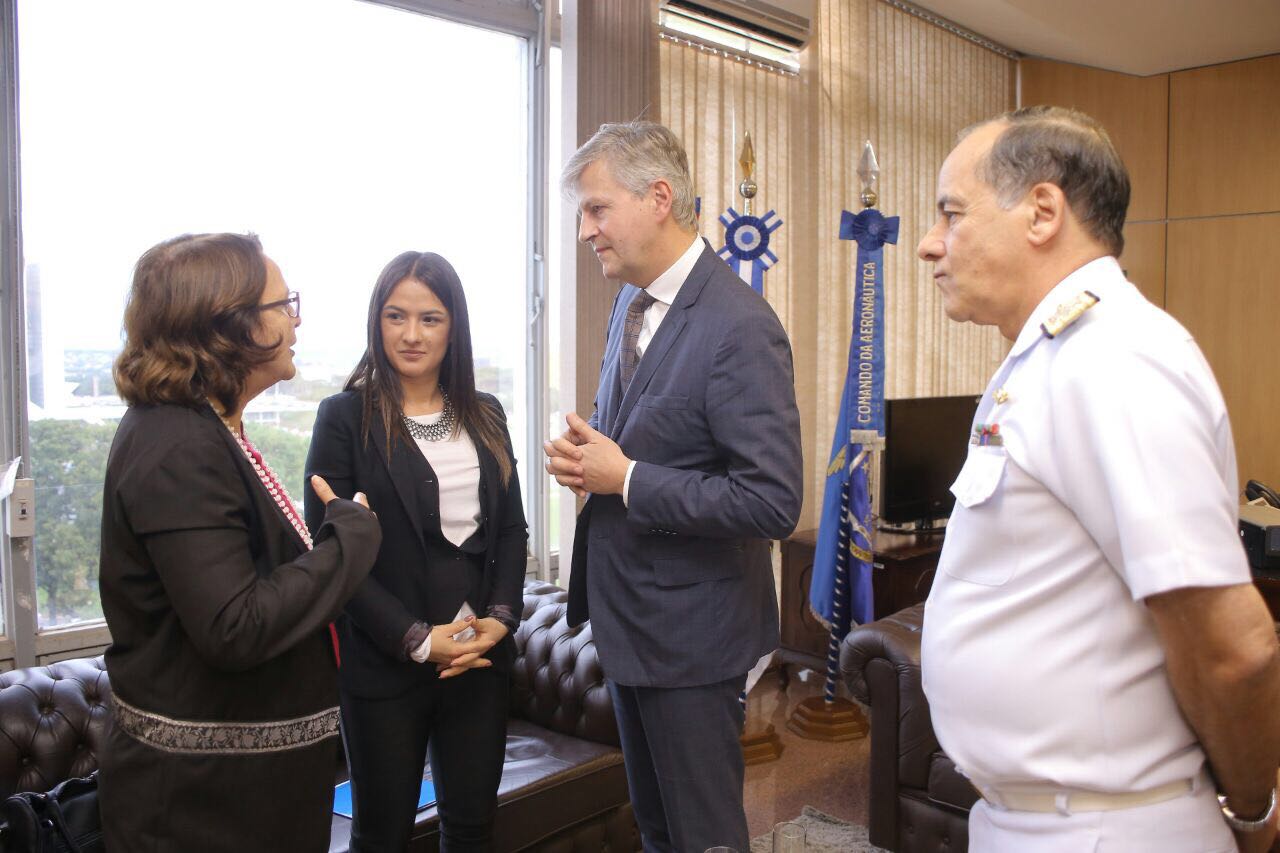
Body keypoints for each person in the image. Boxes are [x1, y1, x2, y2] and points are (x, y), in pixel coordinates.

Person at [917, 106, 1280, 852]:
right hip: (1039, 819)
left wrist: (1251, 812)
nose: (929, 244)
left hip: (1104, 828)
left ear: (1043, 212)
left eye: (951, 213)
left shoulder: (1115, 356)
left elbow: (1232, 646)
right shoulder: (1050, 354)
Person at [546, 121, 803, 853]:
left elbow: (771, 501)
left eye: (596, 209)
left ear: (658, 197)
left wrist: (624, 477)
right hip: (628, 623)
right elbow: (633, 440)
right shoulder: (630, 302)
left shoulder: (740, 326)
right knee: (656, 830)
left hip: (694, 636)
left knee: (702, 837)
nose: (584, 230)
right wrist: (587, 462)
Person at [98, 232, 382, 852]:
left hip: (245, 799)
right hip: (203, 813)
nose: (296, 319)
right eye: (284, 305)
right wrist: (351, 542)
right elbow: (235, 625)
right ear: (231, 327)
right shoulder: (177, 447)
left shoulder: (203, 428)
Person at [304, 251, 527, 852]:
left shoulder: (486, 415)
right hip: (385, 664)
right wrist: (416, 639)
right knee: (381, 836)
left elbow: (510, 531)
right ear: (376, 322)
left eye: (430, 319)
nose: (410, 334)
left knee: (474, 828)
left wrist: (500, 621)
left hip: (477, 661)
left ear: (454, 326)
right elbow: (330, 557)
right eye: (395, 316)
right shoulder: (344, 419)